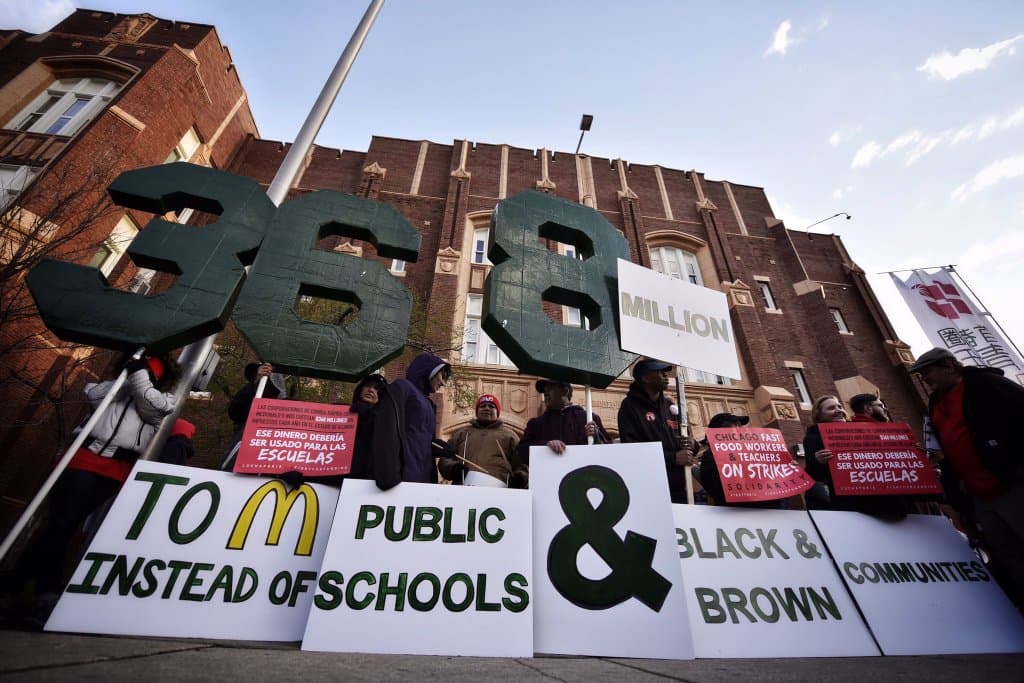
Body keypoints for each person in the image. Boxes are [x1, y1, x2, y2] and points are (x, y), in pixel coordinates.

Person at [1, 353, 179, 627]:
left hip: (115, 469)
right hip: (83, 460)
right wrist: (129, 376)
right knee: (61, 523)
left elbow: (150, 406)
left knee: (63, 526)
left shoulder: (163, 401)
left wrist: (141, 375)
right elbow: (95, 396)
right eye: (142, 370)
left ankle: (15, 586)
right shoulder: (112, 388)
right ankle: (43, 593)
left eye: (152, 372)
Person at [911, 347, 1024, 605]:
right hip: (978, 494)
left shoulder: (985, 383)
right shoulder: (935, 401)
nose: (924, 378)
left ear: (949, 365)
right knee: (1010, 557)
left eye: (928, 371)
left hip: (1011, 485)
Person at [804, 394, 908, 517]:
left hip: (886, 499)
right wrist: (818, 461)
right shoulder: (813, 438)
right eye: (831, 408)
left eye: (840, 406)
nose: (839, 410)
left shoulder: (862, 430)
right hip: (852, 506)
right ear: (819, 415)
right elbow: (813, 477)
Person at [617, 358, 698, 504]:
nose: (666, 375)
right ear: (645, 377)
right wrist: (672, 458)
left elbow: (686, 442)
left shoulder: (671, 406)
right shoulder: (629, 406)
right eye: (660, 372)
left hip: (680, 490)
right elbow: (632, 449)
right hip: (649, 490)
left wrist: (693, 445)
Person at [386, 352, 451, 486]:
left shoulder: (428, 403)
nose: (443, 383)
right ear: (430, 369)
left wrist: (435, 447)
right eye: (442, 376)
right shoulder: (403, 387)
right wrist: (390, 472)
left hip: (422, 478)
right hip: (402, 476)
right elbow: (387, 428)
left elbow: (420, 438)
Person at [697, 412, 787, 509]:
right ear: (721, 431)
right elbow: (715, 489)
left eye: (740, 427)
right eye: (736, 426)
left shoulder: (756, 452)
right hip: (740, 515)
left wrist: (786, 471)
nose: (741, 431)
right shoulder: (711, 456)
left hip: (773, 511)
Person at [438, 394, 524, 487]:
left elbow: (522, 464)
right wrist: (453, 468)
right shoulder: (461, 434)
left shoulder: (510, 436)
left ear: (497, 412)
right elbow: (445, 458)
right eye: (483, 406)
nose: (487, 408)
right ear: (477, 411)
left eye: (491, 406)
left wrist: (520, 478)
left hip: (498, 491)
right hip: (464, 489)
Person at [516, 379, 609, 462]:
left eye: (550, 388)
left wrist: (596, 437)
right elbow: (521, 453)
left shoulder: (588, 419)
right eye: (545, 390)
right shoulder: (536, 424)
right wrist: (546, 445)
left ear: (565, 391)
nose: (545, 393)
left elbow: (609, 452)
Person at [221, 362, 286, 470]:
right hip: (244, 453)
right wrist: (257, 381)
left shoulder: (283, 403)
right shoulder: (249, 393)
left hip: (272, 457)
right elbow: (235, 411)